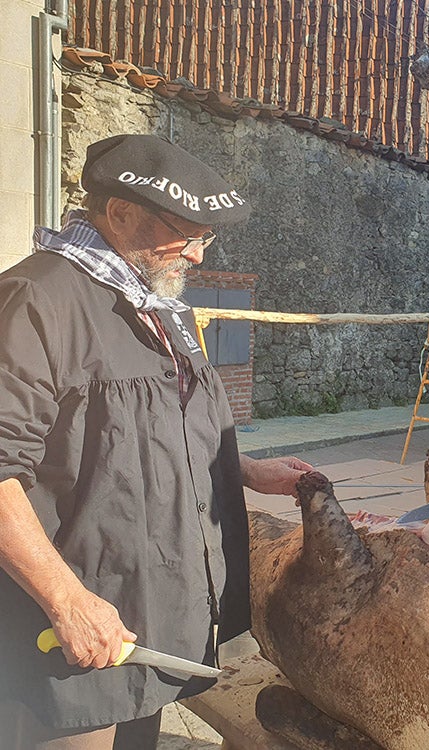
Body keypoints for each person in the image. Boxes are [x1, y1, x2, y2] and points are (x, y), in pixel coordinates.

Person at [0, 134, 310, 748]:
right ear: (118, 214)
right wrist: (66, 601)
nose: (197, 255)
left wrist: (241, 467)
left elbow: (144, 430)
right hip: (72, 640)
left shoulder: (156, 302)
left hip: (149, 617)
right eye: (186, 233)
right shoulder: (39, 300)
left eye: (206, 237)